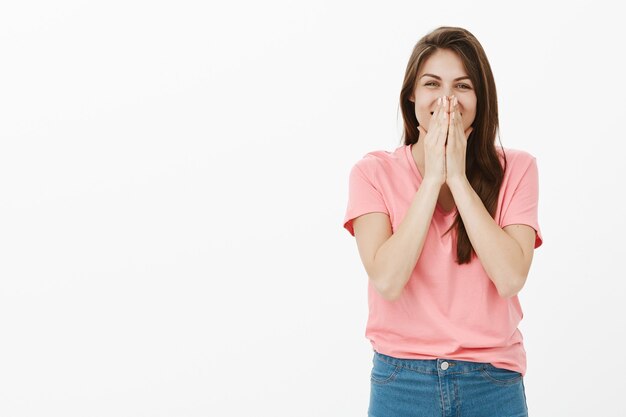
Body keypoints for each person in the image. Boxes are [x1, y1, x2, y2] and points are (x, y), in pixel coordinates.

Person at [342, 26, 542, 417]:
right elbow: (388, 279)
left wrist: (457, 178)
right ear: (412, 95)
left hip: (493, 382)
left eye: (463, 86)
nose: (447, 98)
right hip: (401, 381)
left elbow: (511, 277)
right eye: (432, 83)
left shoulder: (518, 169)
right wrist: (432, 179)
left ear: (481, 98)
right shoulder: (372, 173)